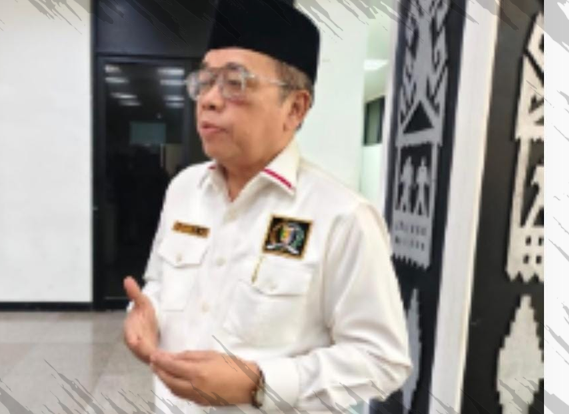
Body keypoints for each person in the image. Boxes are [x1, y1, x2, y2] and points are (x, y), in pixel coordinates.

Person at [123, 0, 412, 412]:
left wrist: (259, 383)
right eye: (204, 81)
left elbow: (382, 359)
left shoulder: (342, 217)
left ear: (295, 108)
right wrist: (146, 313)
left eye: (235, 83)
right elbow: (159, 280)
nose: (208, 100)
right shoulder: (184, 189)